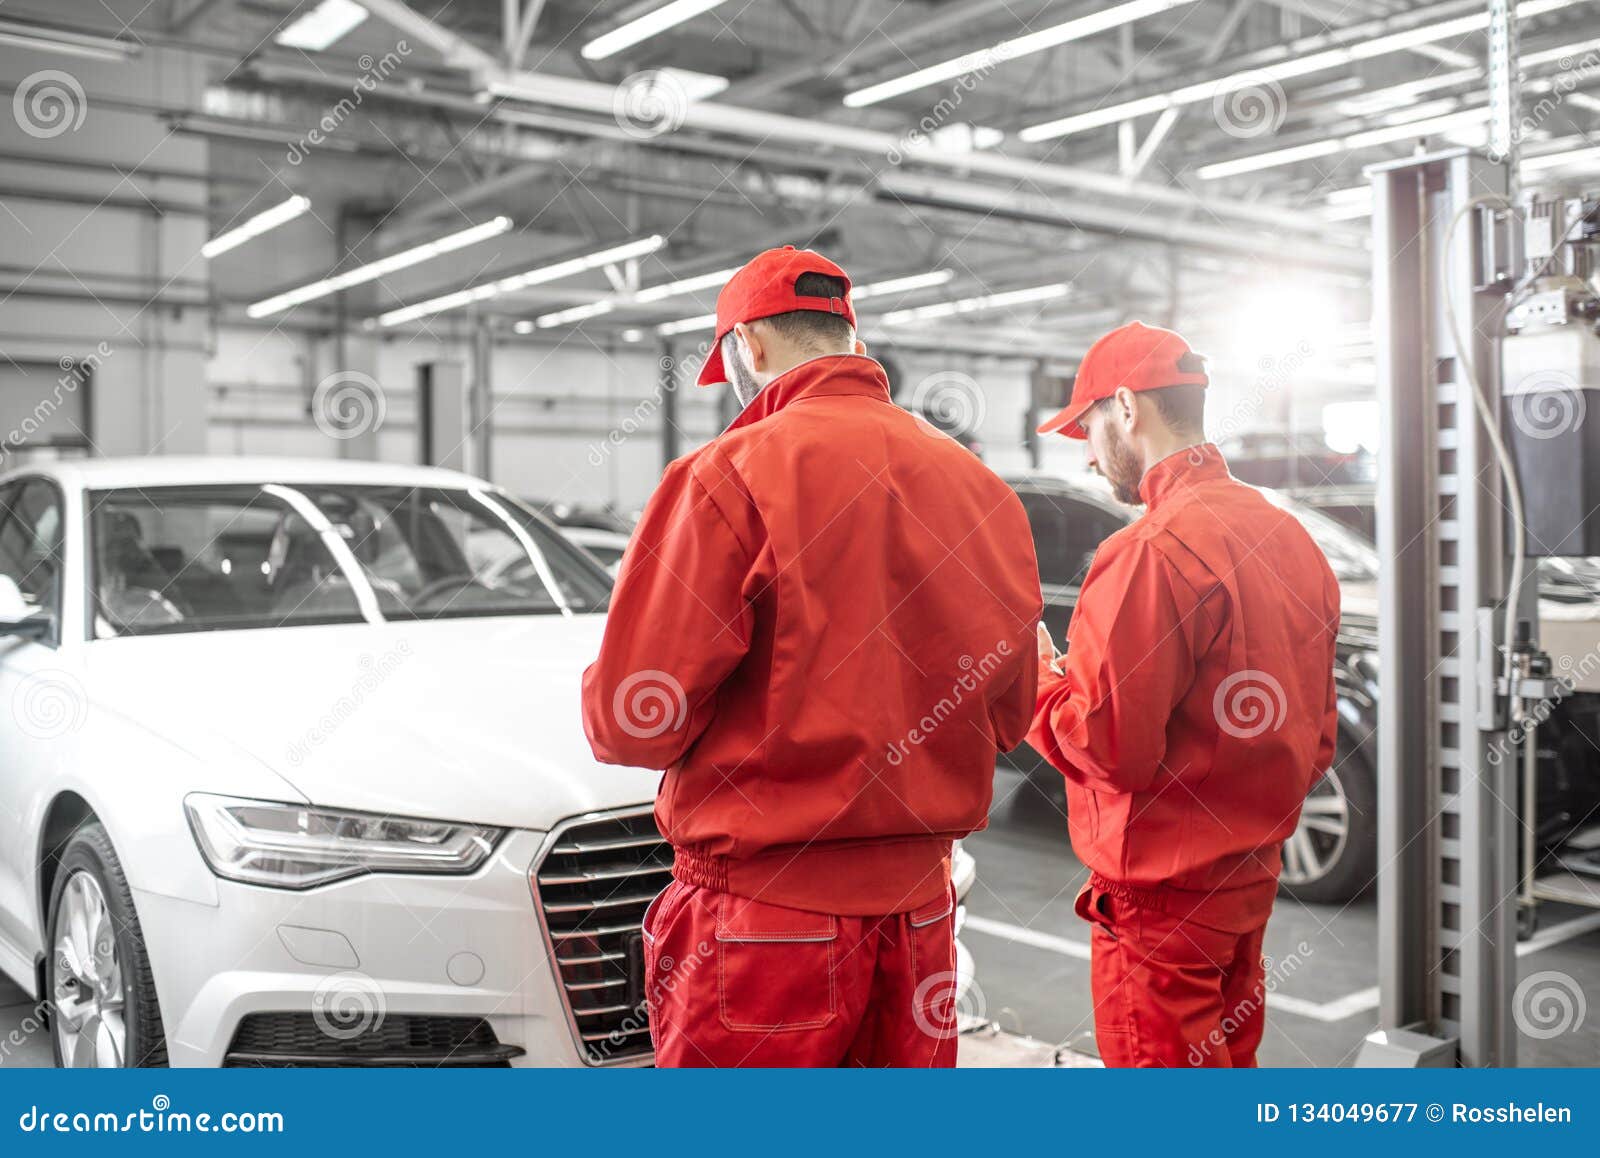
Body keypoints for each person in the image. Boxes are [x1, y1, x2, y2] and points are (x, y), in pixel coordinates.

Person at [581, 245, 1042, 1067]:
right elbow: (1010, 716)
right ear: (851, 340)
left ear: (748, 346)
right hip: (921, 924)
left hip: (764, 927)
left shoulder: (724, 476)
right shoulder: (981, 489)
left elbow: (632, 725)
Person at [1030, 320, 1341, 1068]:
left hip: (1160, 907)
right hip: (1247, 884)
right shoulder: (1289, 537)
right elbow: (1317, 735)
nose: (1090, 454)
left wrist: (1039, 679)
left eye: (1089, 428)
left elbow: (1107, 744)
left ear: (1126, 407)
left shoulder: (1148, 551)